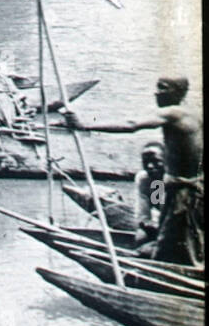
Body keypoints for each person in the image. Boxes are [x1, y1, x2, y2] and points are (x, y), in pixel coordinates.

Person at [66, 76, 203, 266]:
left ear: (178, 91)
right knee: (163, 240)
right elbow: (151, 208)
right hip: (190, 191)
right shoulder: (195, 113)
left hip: (183, 194)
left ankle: (169, 277)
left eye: (162, 88)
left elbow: (131, 124)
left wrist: (84, 125)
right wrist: (148, 223)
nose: (156, 93)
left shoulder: (174, 113)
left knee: (168, 248)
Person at [133, 142, 165, 248]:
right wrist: (147, 223)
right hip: (163, 225)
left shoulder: (176, 180)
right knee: (141, 237)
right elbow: (144, 213)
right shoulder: (149, 180)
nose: (150, 166)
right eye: (146, 162)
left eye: (156, 161)